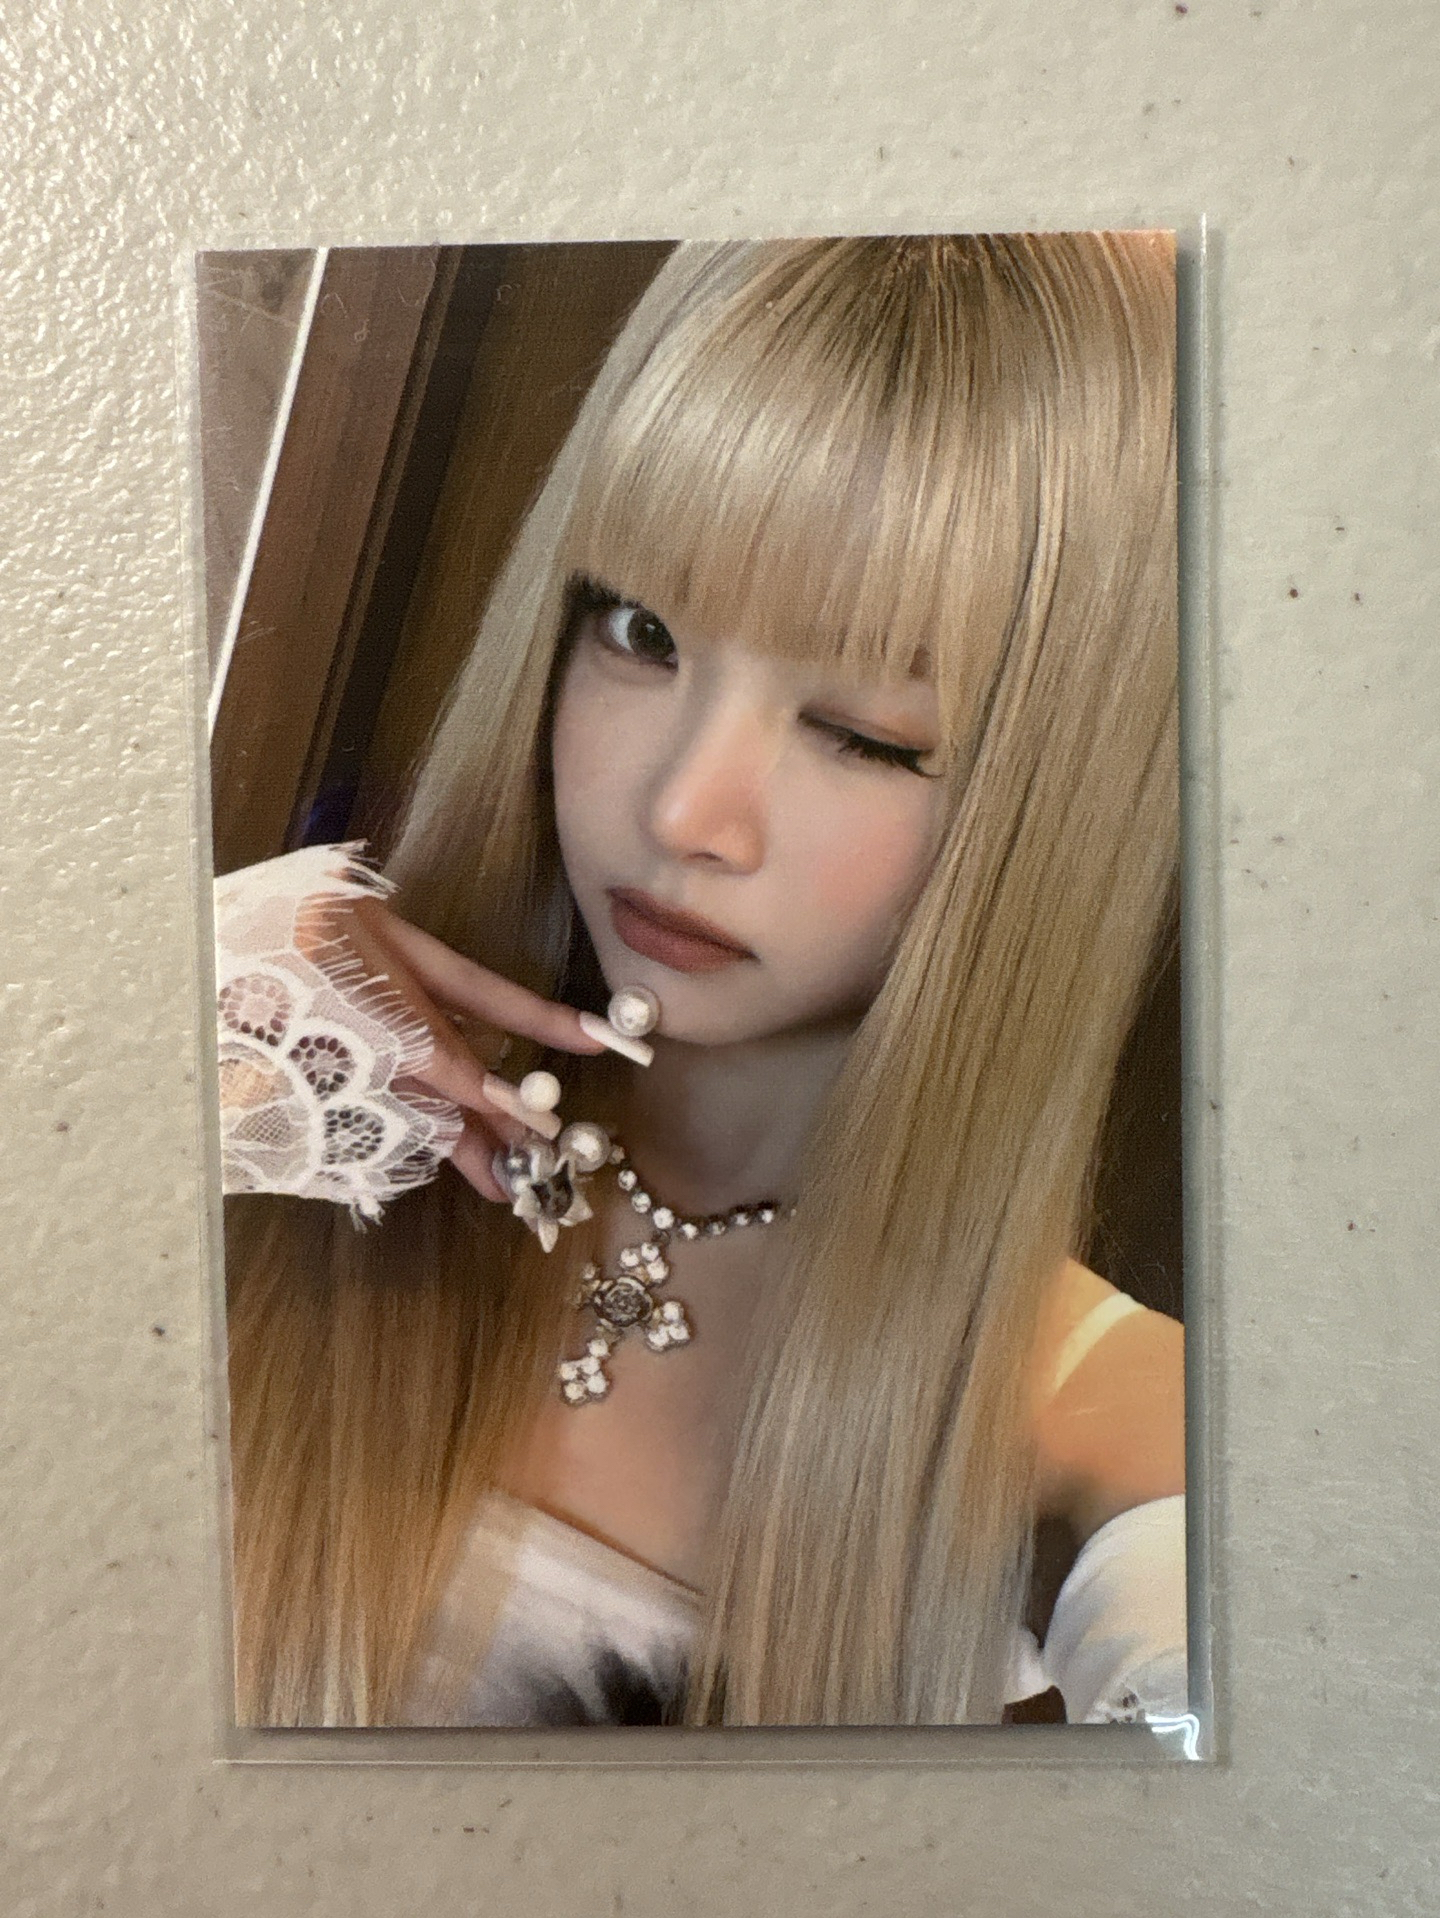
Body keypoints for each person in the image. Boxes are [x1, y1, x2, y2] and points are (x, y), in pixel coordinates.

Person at [217, 233, 1185, 1730]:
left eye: (865, 731)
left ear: (1064, 802)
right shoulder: (281, 1105)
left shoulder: (1106, 1427)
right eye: (643, 631)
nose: (682, 811)